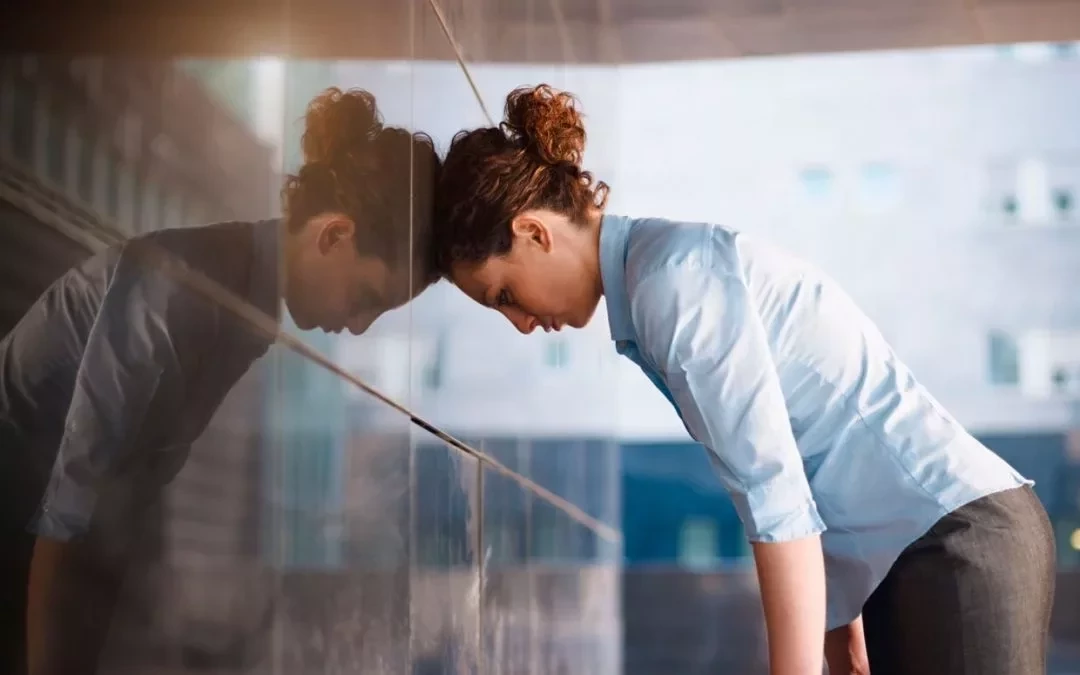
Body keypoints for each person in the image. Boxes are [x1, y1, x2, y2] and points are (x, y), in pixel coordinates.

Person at [431, 84, 1056, 675]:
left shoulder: (672, 285)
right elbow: (812, 461)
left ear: (534, 232)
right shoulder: (658, 279)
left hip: (953, 542)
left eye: (504, 293)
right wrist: (842, 626)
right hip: (914, 557)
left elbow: (775, 499)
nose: (518, 323)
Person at [0, 86, 440, 675]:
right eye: (365, 298)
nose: (357, 327)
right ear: (334, 235)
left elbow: (118, 509)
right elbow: (68, 513)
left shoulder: (246, 301)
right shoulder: (182, 285)